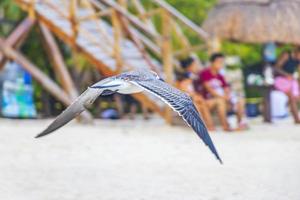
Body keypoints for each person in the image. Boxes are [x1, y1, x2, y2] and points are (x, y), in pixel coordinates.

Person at [198, 53, 247, 131]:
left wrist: (228, 95)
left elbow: (226, 88)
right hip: (208, 100)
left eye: (222, 62)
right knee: (220, 101)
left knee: (240, 100)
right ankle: (225, 126)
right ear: (212, 63)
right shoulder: (205, 73)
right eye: (219, 62)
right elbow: (209, 89)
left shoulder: (220, 76)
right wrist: (223, 97)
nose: (221, 64)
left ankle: (240, 124)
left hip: (222, 98)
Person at [178, 56, 227, 131]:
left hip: (196, 99)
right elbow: (183, 90)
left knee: (205, 103)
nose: (197, 67)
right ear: (189, 67)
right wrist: (195, 96)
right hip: (188, 101)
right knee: (200, 104)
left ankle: (212, 126)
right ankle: (208, 126)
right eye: (195, 65)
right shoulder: (185, 77)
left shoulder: (195, 76)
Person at [275, 49, 300, 123]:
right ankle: (296, 119)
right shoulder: (286, 55)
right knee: (292, 97)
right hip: (280, 79)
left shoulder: (298, 60)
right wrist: (286, 75)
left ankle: (295, 117)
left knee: (296, 97)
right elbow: (276, 68)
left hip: (291, 80)